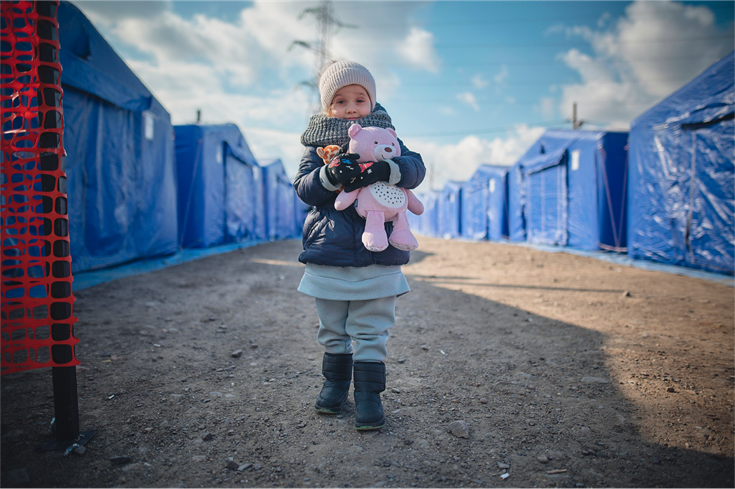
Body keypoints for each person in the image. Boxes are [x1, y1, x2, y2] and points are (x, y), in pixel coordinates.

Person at [293, 60, 426, 431]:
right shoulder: (317, 145)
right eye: (340, 100)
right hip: (330, 253)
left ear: (372, 102)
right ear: (327, 107)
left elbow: (416, 168)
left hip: (378, 255)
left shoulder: (389, 136)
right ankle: (335, 384)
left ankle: (369, 394)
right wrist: (329, 175)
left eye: (359, 98)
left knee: (371, 327)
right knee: (332, 326)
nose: (351, 107)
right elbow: (304, 189)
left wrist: (389, 169)